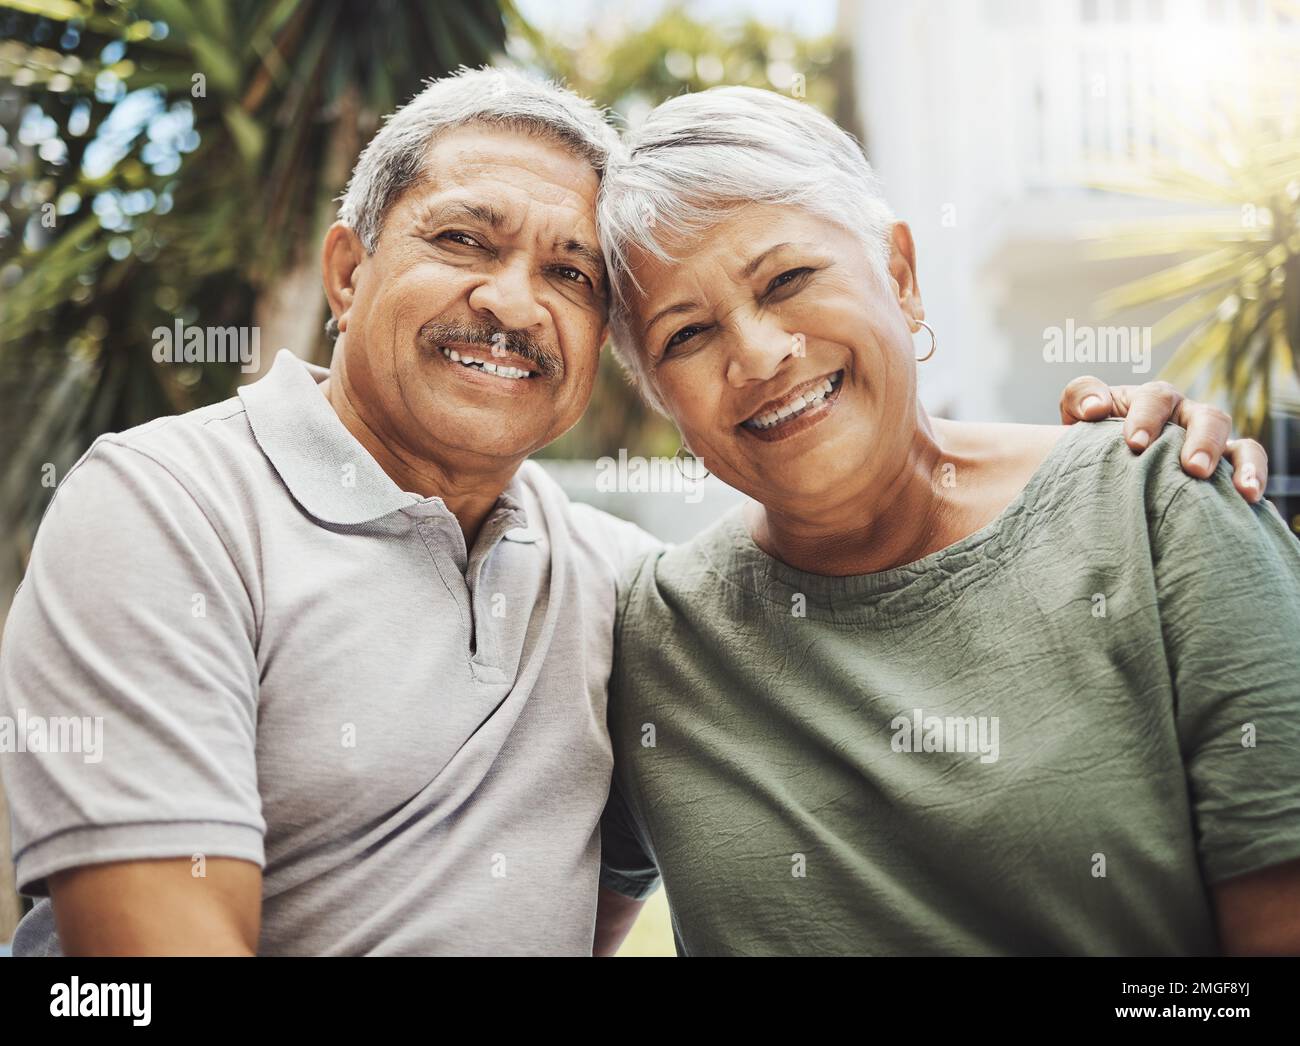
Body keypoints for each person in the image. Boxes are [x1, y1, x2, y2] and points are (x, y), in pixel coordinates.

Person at [0, 69, 1265, 957]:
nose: (513, 302)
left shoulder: (615, 587)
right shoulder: (167, 504)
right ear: (347, 270)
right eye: (463, 239)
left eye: (567, 272)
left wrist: (1135, 457)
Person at [593, 86, 1300, 957]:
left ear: (899, 277)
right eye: (686, 335)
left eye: (787, 280)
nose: (760, 356)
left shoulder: (1161, 506)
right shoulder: (649, 639)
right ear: (656, 394)